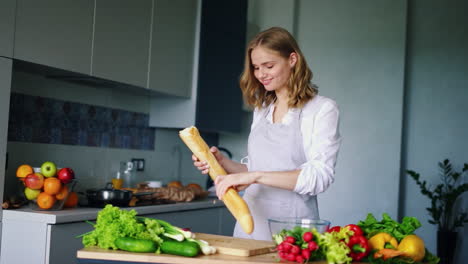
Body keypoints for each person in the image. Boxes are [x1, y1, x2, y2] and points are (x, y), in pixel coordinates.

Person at [192, 27, 341, 241]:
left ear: (292, 59)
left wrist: (254, 176)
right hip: (250, 226)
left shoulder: (322, 109)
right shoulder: (262, 109)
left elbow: (319, 177)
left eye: (269, 66)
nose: (261, 74)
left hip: (293, 231)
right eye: (256, 67)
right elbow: (257, 169)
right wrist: (223, 163)